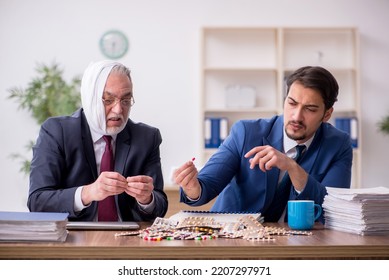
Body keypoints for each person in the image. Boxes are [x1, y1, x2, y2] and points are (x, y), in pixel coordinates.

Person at [174, 66, 352, 223]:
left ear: (327, 114)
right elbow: (207, 185)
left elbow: (333, 210)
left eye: (310, 109)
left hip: (296, 244)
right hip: (234, 239)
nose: (296, 116)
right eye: (292, 103)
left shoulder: (338, 144)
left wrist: (293, 168)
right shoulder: (246, 132)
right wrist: (193, 188)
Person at [28, 60, 168, 222]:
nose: (118, 110)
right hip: (73, 239)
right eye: (108, 100)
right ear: (90, 98)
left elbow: (160, 207)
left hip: (128, 240)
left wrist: (146, 199)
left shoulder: (146, 137)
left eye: (125, 100)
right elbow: (37, 202)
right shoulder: (57, 131)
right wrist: (88, 193)